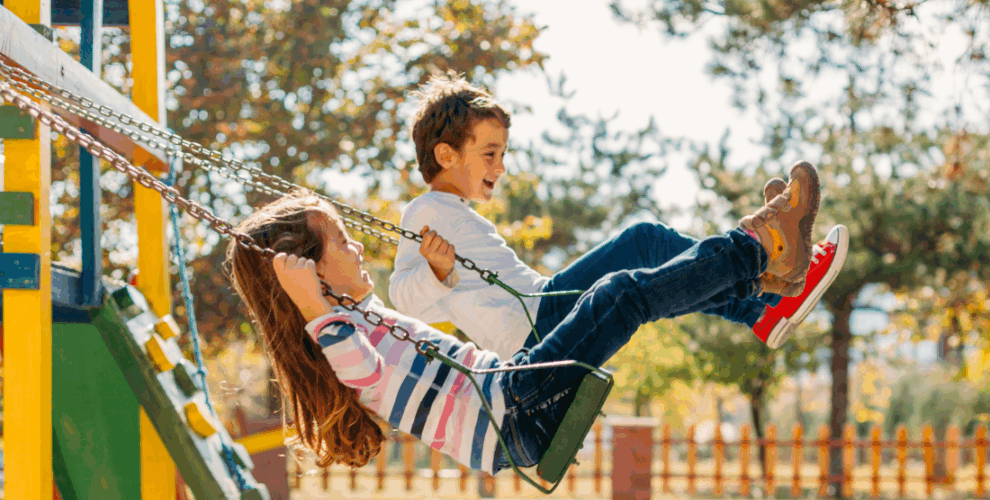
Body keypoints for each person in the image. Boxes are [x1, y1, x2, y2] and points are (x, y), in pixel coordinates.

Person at [226, 174, 834, 475]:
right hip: (511, 409)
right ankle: (757, 250)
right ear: (310, 275)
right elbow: (368, 371)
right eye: (340, 240)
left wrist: (326, 303)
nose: (356, 244)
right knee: (618, 295)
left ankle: (761, 280)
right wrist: (312, 306)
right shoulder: (336, 337)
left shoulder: (353, 318)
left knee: (622, 285)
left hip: (512, 393)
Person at [389, 72, 847, 359]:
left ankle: (763, 306)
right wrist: (435, 270)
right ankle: (767, 290)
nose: (501, 167)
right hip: (534, 326)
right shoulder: (426, 210)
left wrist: (440, 273)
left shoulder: (450, 211)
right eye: (489, 153)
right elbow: (404, 302)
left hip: (538, 313)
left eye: (503, 153)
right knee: (644, 241)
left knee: (654, 272)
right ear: (446, 155)